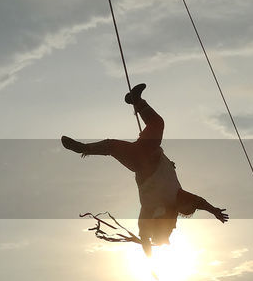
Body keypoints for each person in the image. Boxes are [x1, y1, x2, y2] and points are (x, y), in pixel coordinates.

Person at [61, 83, 228, 255]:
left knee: (150, 127)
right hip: (143, 154)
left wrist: (213, 210)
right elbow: (146, 233)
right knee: (120, 141)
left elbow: (197, 202)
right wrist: (150, 252)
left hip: (143, 159)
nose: (178, 218)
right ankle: (133, 103)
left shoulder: (165, 204)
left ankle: (84, 148)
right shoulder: (159, 205)